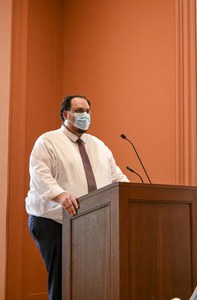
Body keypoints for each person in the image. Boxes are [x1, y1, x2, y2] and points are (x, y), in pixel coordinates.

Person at [25, 95, 129, 300]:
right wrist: (61, 195)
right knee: (64, 280)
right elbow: (41, 175)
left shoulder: (99, 145)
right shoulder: (48, 141)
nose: (86, 116)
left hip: (88, 223)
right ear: (66, 114)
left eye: (88, 111)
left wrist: (131, 194)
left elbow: (116, 176)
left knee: (89, 279)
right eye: (80, 111)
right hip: (53, 221)